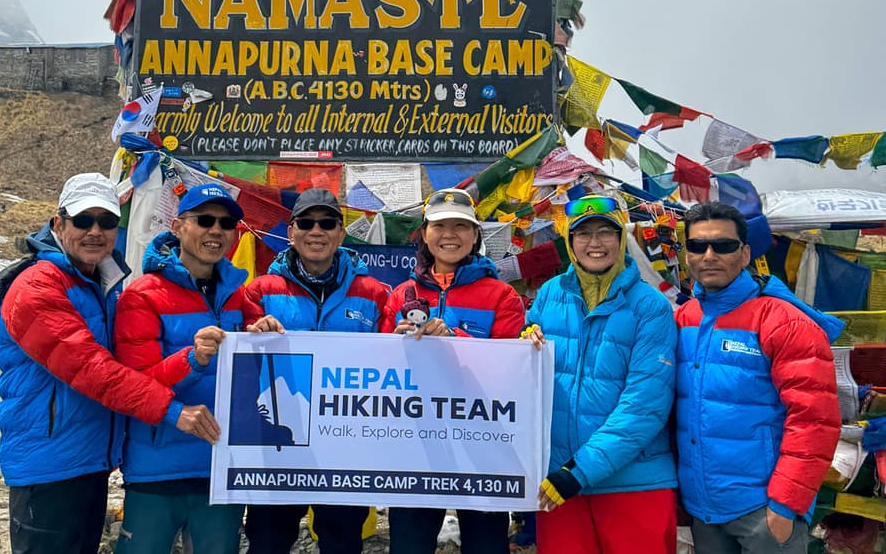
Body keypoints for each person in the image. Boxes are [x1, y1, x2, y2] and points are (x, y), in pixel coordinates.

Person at [0, 172, 204, 554]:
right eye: (83, 220)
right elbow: (92, 370)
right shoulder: (37, 287)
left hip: (89, 460)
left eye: (106, 221)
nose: (95, 231)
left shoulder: (98, 284)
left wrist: (192, 359)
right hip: (49, 465)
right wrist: (172, 411)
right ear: (58, 224)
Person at [676, 201, 841, 553]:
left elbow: (815, 421)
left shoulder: (784, 322)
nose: (709, 255)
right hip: (703, 510)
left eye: (723, 245)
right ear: (687, 254)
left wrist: (784, 507)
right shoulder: (685, 318)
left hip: (763, 510)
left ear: (745, 253)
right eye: (698, 245)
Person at [521, 194, 677, 553]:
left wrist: (579, 471)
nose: (595, 243)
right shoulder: (550, 294)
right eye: (583, 233)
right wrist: (523, 341)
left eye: (606, 232)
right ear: (569, 241)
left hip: (631, 483)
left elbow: (645, 404)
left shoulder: (650, 306)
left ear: (621, 238)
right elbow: (529, 368)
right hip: (559, 482)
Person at [241, 187, 390, 554]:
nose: (316, 231)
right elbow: (240, 359)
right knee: (268, 542)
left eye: (327, 223)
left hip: (345, 446)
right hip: (276, 445)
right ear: (291, 232)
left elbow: (394, 364)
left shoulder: (374, 294)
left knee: (342, 542)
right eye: (306, 223)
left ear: (341, 233)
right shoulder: (260, 291)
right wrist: (251, 333)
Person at [380, 188, 526, 554]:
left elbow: (509, 370)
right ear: (424, 234)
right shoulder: (400, 295)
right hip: (415, 446)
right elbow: (378, 371)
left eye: (461, 226)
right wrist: (393, 346)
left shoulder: (501, 295)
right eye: (440, 225)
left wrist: (454, 338)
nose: (450, 235)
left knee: (486, 546)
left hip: (482, 446)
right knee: (408, 546)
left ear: (475, 235)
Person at [113, 183, 248, 554]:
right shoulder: (142, 294)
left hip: (222, 465)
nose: (216, 230)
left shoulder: (238, 294)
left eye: (226, 223)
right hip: (158, 468)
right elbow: (134, 384)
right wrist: (192, 359)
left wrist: (264, 330)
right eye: (204, 220)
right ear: (177, 226)